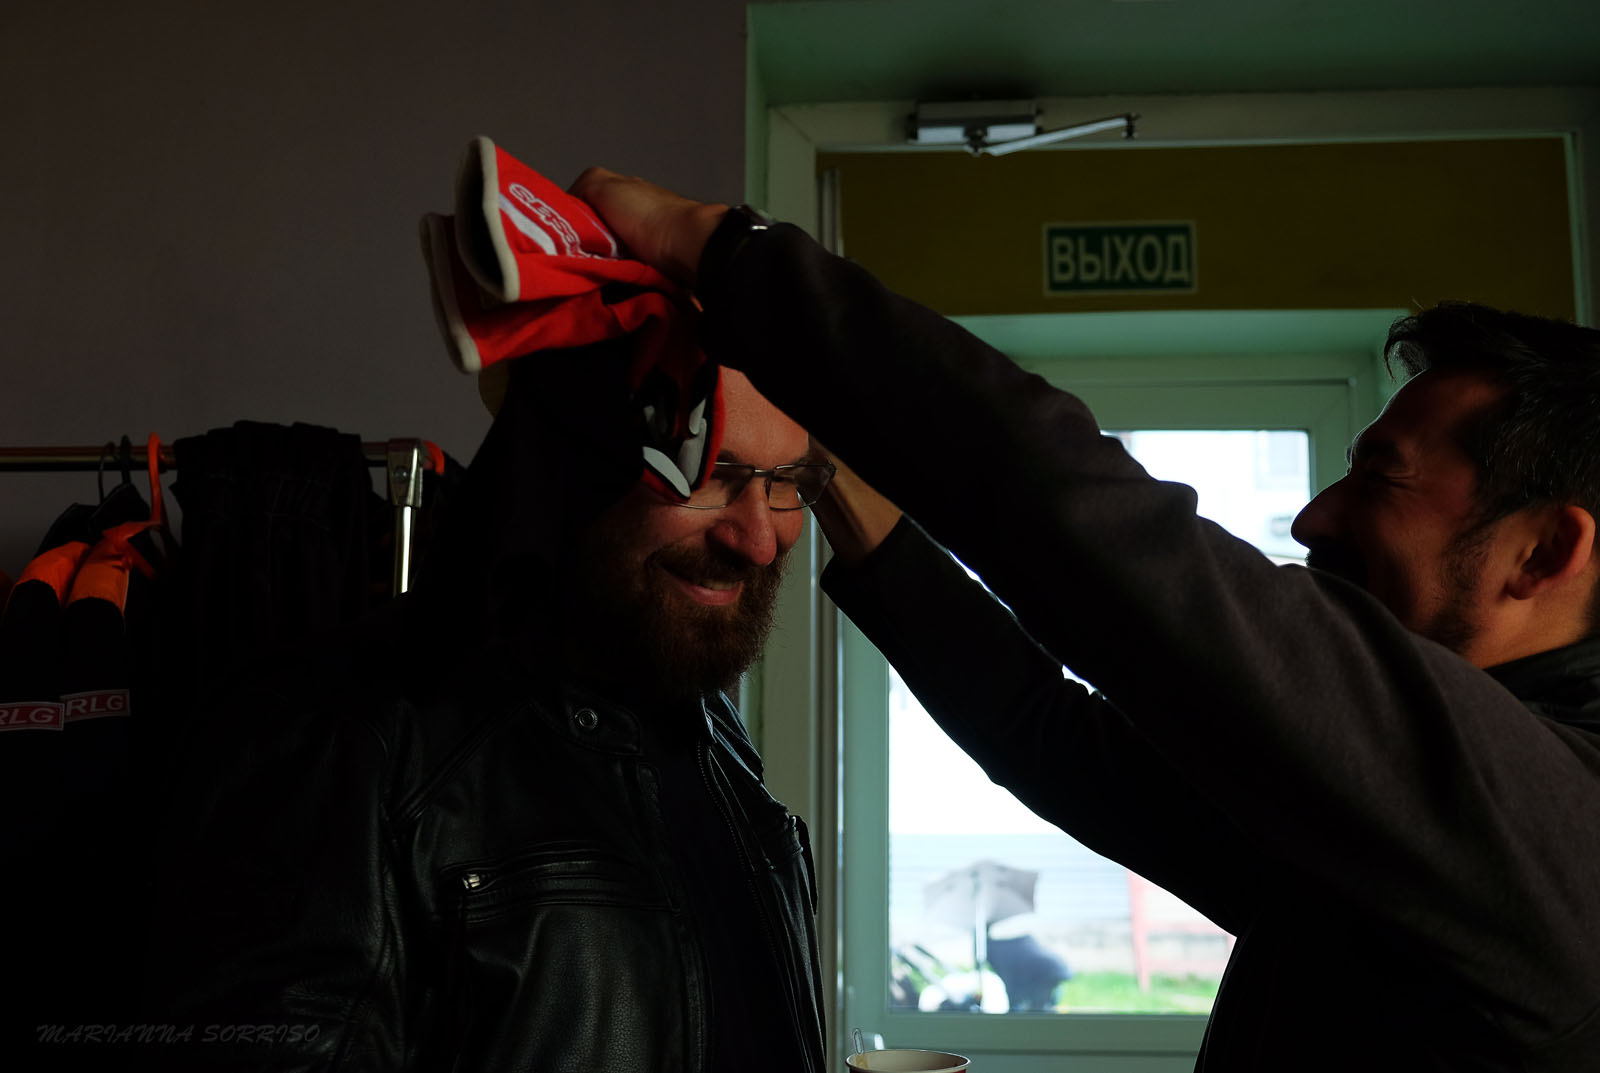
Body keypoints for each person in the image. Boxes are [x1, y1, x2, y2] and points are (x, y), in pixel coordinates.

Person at [569, 168, 1600, 1070]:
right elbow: (1052, 734)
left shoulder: (1560, 838)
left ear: (1545, 550)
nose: (1312, 517)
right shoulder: (1396, 836)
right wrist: (828, 474)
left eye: (1380, 477)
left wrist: (732, 257)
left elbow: (1105, 545)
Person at [139, 350, 831, 1072]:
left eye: (787, 480)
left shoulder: (711, 731)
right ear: (573, 456)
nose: (760, 539)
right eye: (712, 471)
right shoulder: (335, 739)